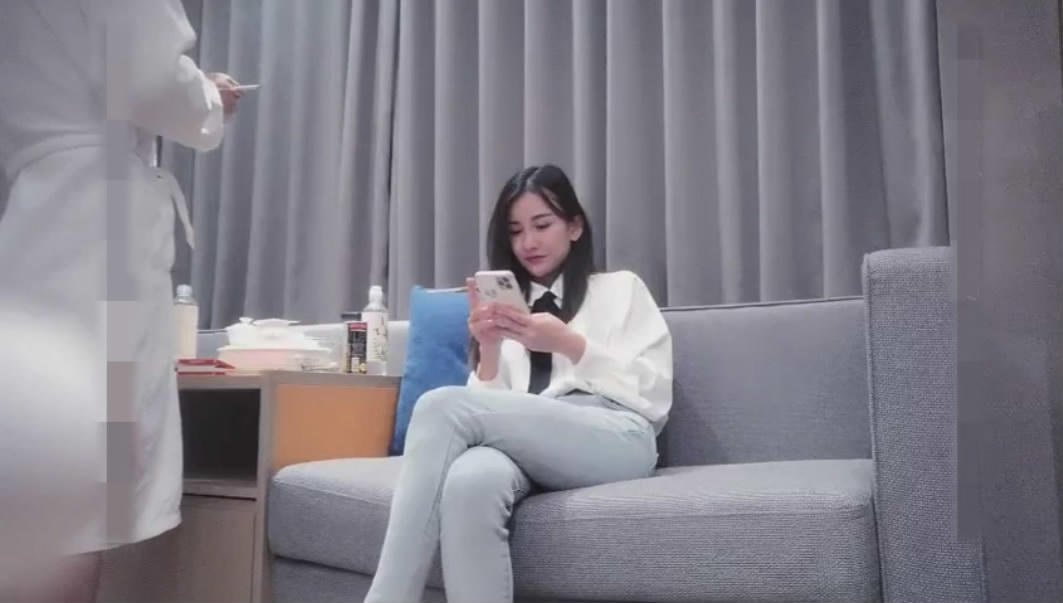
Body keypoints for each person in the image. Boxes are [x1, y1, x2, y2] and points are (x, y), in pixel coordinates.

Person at [0, 1, 242, 600]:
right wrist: (209, 98)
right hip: (95, 224)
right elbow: (150, 73)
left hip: (33, 214)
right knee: (79, 483)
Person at [365, 164, 673, 603]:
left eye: (542, 225)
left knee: (438, 405)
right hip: (530, 444)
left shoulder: (621, 289)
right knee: (469, 480)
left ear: (574, 227)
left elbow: (652, 393)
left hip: (618, 435)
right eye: (516, 231)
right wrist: (489, 349)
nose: (528, 242)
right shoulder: (512, 307)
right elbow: (484, 419)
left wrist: (569, 344)